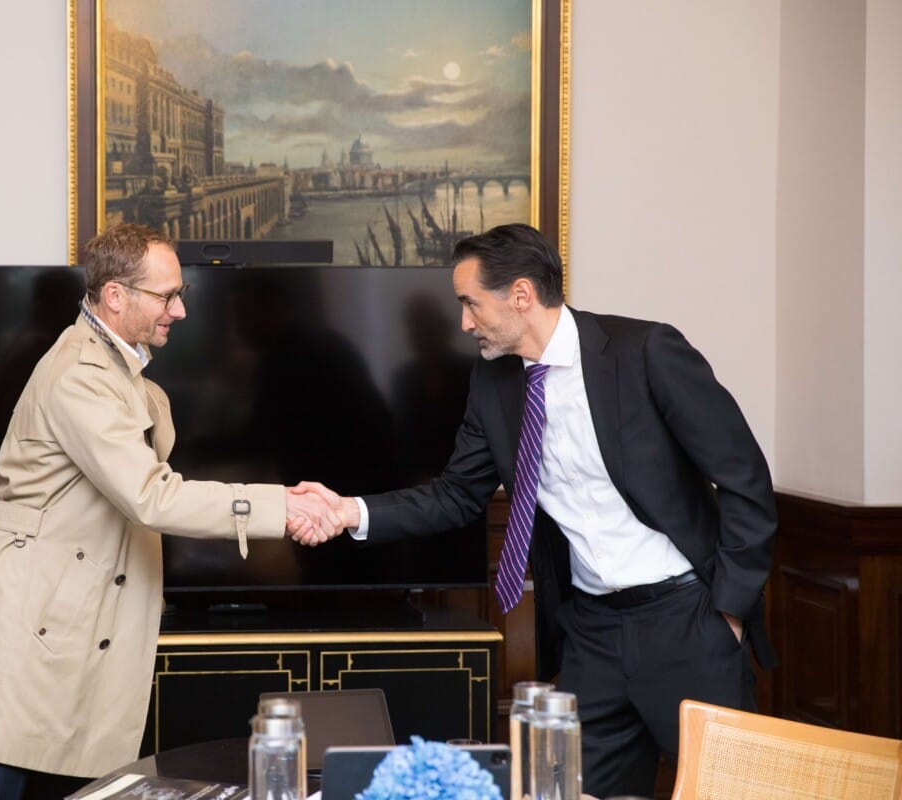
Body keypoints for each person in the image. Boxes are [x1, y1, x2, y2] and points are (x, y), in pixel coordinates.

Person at [297, 223, 777, 798]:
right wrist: (349, 511)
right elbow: (456, 494)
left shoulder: (645, 352)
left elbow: (744, 474)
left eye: (471, 303)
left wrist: (729, 611)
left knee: (727, 792)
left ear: (521, 295)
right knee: (570, 793)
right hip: (592, 633)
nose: (464, 322)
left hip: (688, 621)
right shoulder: (494, 382)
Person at [0, 222, 340, 800]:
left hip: (56, 633)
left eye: (180, 294)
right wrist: (284, 504)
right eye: (167, 296)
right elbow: (151, 495)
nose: (181, 310)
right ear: (115, 296)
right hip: (19, 639)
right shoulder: (80, 375)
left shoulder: (123, 371)